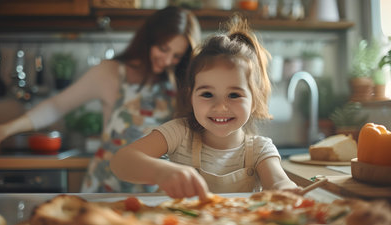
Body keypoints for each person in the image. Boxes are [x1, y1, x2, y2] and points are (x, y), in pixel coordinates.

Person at [0, 6, 202, 193]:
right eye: (163, 49)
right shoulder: (111, 72)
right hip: (108, 185)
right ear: (149, 39)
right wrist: (6, 129)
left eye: (176, 56)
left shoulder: (179, 85)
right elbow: (55, 106)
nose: (166, 60)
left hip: (156, 188)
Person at [110, 16, 298, 201]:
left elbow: (279, 183)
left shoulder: (259, 150)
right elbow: (121, 162)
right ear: (191, 97)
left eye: (234, 95)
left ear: (254, 101)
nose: (220, 106)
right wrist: (161, 172)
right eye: (207, 94)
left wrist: (287, 189)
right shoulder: (179, 132)